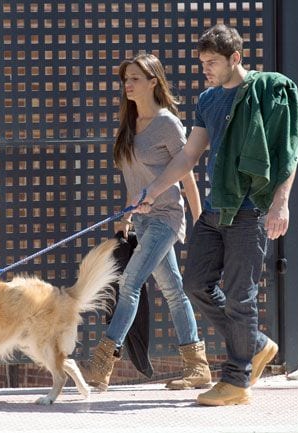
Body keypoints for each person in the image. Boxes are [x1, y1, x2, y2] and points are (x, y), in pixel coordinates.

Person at [132, 24, 298, 406]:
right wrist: (152, 191)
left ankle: (237, 381)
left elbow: (287, 153)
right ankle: (255, 344)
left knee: (241, 297)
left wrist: (281, 203)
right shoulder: (208, 100)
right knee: (195, 284)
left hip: (249, 209)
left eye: (211, 62)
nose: (204, 68)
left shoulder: (266, 92)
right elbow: (189, 155)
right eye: (202, 62)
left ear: (235, 59)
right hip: (215, 210)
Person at [78, 53, 211, 392]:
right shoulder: (130, 125)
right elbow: (135, 183)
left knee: (130, 283)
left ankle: (101, 363)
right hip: (142, 221)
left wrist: (200, 222)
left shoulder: (167, 123)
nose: (128, 84)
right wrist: (125, 217)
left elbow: (187, 175)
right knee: (174, 291)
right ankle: (198, 367)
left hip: (167, 217)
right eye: (126, 79)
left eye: (135, 78)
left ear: (154, 81)